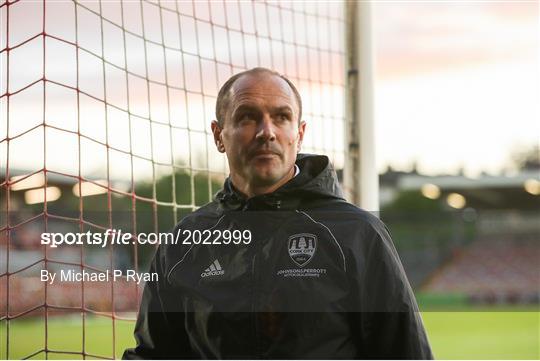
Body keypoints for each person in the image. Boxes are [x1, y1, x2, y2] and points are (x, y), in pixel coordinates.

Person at [123, 67, 433, 359]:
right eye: (247, 117)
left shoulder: (357, 233)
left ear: (299, 134)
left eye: (281, 117)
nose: (266, 132)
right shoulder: (184, 243)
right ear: (219, 135)